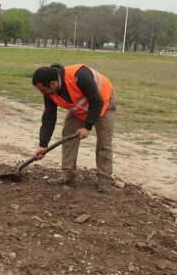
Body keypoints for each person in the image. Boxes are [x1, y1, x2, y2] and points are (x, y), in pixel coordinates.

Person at [31, 63, 116, 193]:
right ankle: (68, 174)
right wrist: (43, 144)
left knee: (104, 142)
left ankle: (104, 179)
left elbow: (96, 101)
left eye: (43, 90)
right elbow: (49, 118)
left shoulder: (79, 75)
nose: (42, 93)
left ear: (53, 84)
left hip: (104, 101)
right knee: (68, 134)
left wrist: (86, 127)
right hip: (80, 107)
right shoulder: (49, 93)